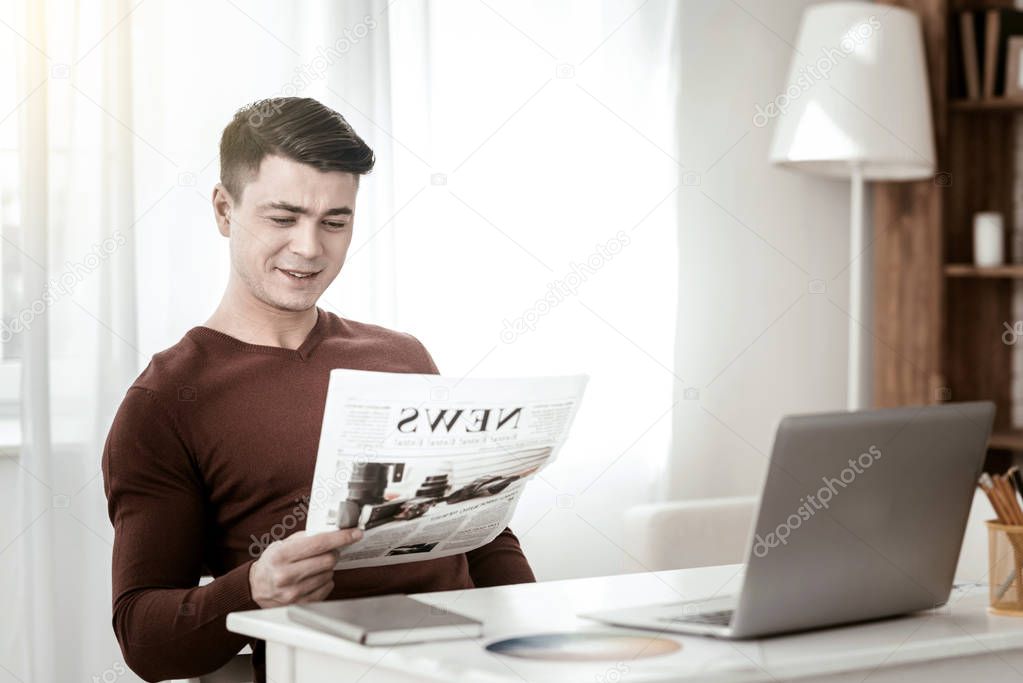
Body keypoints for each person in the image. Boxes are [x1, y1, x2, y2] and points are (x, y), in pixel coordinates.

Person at [101, 97, 535, 683]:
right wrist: (252, 588)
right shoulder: (168, 399)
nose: (310, 248)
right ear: (224, 210)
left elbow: (482, 540)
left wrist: (537, 637)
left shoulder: (401, 357)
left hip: (473, 665)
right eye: (282, 218)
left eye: (335, 221)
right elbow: (143, 639)